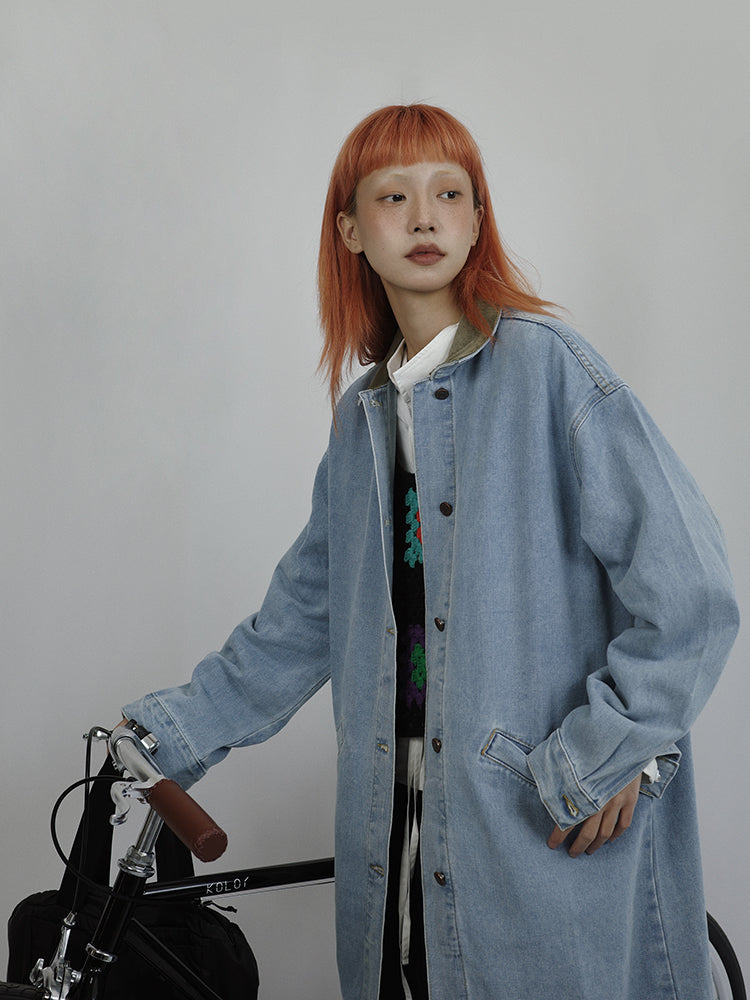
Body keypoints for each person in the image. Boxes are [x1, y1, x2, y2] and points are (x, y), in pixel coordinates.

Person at [121, 105, 739, 1000]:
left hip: (535, 838)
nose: (424, 217)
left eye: (450, 194)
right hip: (397, 852)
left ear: (479, 220)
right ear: (350, 230)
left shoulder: (553, 373)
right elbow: (302, 622)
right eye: (393, 196)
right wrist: (160, 735)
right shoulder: (364, 419)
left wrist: (606, 752)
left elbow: (692, 596)